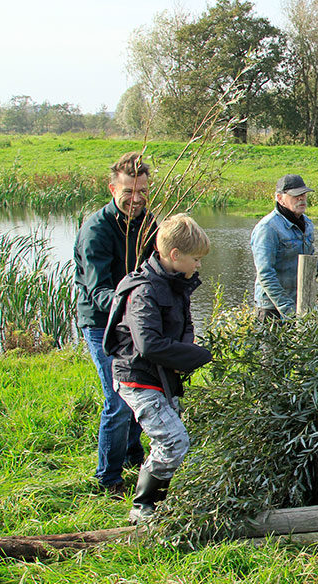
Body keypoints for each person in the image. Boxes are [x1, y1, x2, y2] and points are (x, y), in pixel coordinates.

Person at [103, 214, 213, 524]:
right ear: (175, 255)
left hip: (160, 377)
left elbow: (184, 327)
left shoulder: (175, 283)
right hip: (138, 378)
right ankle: (142, 507)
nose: (199, 266)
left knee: (168, 441)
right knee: (173, 440)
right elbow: (148, 345)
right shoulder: (145, 292)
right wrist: (196, 356)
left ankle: (155, 507)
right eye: (196, 259)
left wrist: (188, 350)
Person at [74, 151, 157, 495]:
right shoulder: (96, 229)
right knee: (118, 398)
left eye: (142, 192)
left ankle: (131, 455)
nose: (135, 199)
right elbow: (98, 292)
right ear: (112, 188)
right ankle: (107, 479)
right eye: (128, 192)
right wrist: (135, 310)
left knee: (140, 389)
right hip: (101, 323)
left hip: (134, 321)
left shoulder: (148, 223)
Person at [250, 174, 318, 320]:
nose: (301, 199)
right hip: (271, 309)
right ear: (280, 198)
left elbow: (310, 260)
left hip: (300, 304)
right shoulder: (267, 228)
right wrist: (289, 311)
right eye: (295, 196)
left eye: (303, 194)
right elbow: (265, 274)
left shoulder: (307, 225)